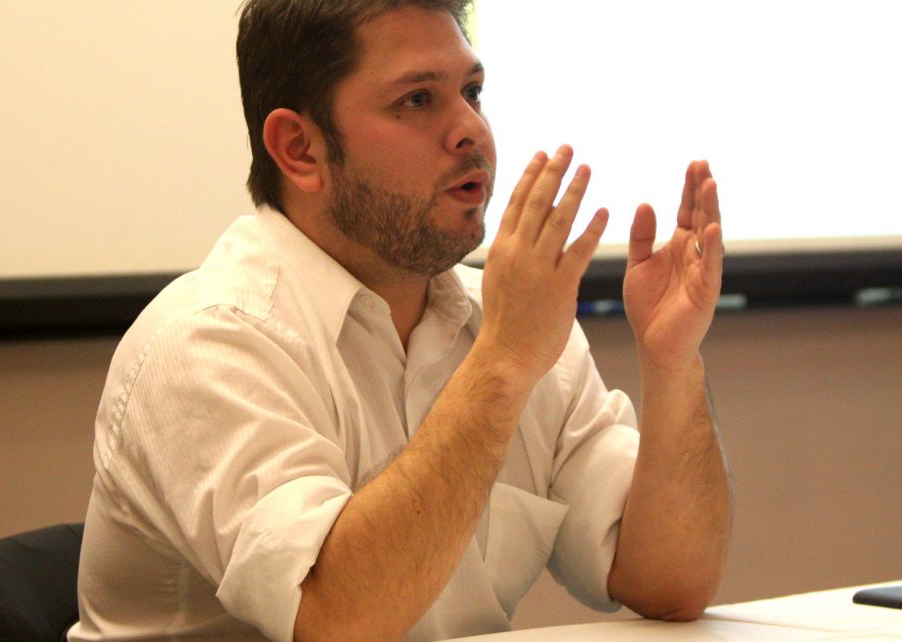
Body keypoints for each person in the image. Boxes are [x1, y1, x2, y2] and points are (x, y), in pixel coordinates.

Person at [70, 1, 731, 640]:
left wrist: (672, 364)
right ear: (300, 148)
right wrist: (500, 367)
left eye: (472, 91)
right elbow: (337, 621)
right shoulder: (207, 342)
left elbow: (669, 583)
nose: (470, 129)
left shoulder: (502, 321)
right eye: (418, 99)